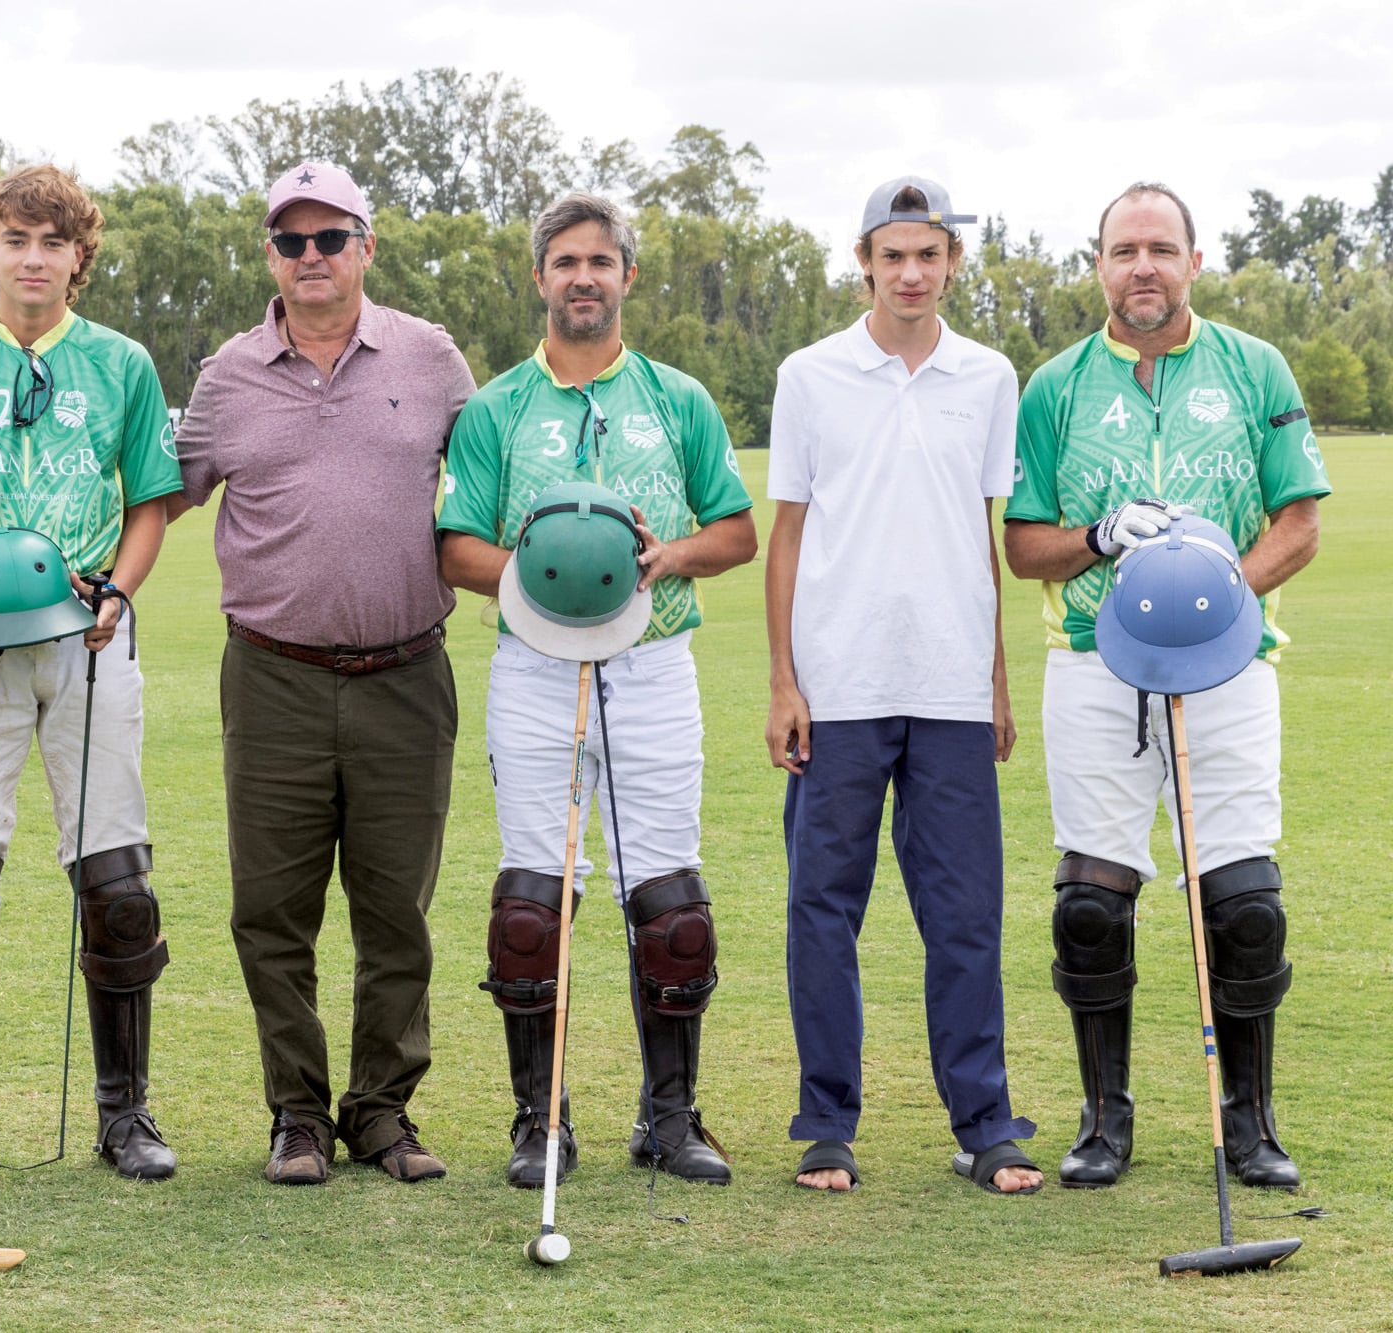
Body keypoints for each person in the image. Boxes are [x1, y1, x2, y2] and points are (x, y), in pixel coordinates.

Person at [1005, 181, 1330, 1189]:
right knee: (1090, 903)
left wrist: (1214, 587)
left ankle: (1248, 1123)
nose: (1139, 265)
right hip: (1092, 664)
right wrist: (1100, 536)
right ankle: (1103, 1120)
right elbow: (1022, 545)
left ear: (1193, 260)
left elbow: (1298, 520)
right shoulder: (1053, 387)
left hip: (1228, 666)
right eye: (1120, 249)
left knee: (1241, 903)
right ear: (1096, 265)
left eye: (1158, 247)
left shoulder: (1253, 367)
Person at [438, 192, 757, 1187]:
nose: (583, 277)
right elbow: (454, 547)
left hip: (654, 661)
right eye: (564, 262)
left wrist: (661, 560)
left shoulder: (678, 399)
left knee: (668, 902)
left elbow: (735, 531)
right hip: (533, 668)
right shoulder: (493, 408)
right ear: (538, 278)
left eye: (600, 262)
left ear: (626, 277)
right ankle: (539, 1121)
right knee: (531, 901)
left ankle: (669, 1117)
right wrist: (545, 580)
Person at [173, 160, 474, 1186]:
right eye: (291, 241)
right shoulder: (226, 374)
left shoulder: (431, 357)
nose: (311, 257)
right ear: (269, 254)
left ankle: (382, 1111)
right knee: (273, 910)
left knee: (395, 911)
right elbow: (156, 494)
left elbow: (491, 475)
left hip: (404, 672)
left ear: (365, 248)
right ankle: (296, 1114)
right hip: (273, 679)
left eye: (330, 238)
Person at [0, 164, 182, 1186]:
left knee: (116, 880)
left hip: (86, 637)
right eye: (15, 239)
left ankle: (125, 1111)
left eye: (54, 242)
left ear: (78, 257)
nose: (34, 259)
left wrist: (121, 592)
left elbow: (149, 498)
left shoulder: (123, 364)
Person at [766, 177, 1040, 1195]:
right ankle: (826, 1121)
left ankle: (983, 1125)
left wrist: (995, 681)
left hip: (952, 690)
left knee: (964, 913)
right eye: (893, 257)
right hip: (836, 686)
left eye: (928, 256)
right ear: (864, 261)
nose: (911, 273)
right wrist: (783, 680)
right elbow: (786, 534)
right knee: (820, 909)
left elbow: (978, 535)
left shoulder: (987, 376)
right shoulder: (809, 374)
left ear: (951, 262)